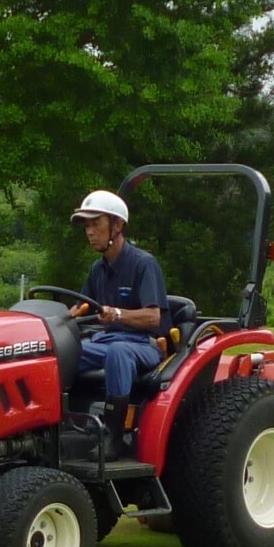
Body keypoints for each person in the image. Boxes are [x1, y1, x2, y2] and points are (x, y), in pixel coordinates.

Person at [67, 189, 164, 444]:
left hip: (142, 345)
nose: (89, 232)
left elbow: (154, 317)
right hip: (104, 341)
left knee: (118, 352)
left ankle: (113, 436)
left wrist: (118, 314)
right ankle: (60, 426)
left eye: (96, 224)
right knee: (61, 353)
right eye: (86, 226)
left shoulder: (143, 264)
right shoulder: (97, 269)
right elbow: (79, 309)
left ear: (117, 225)